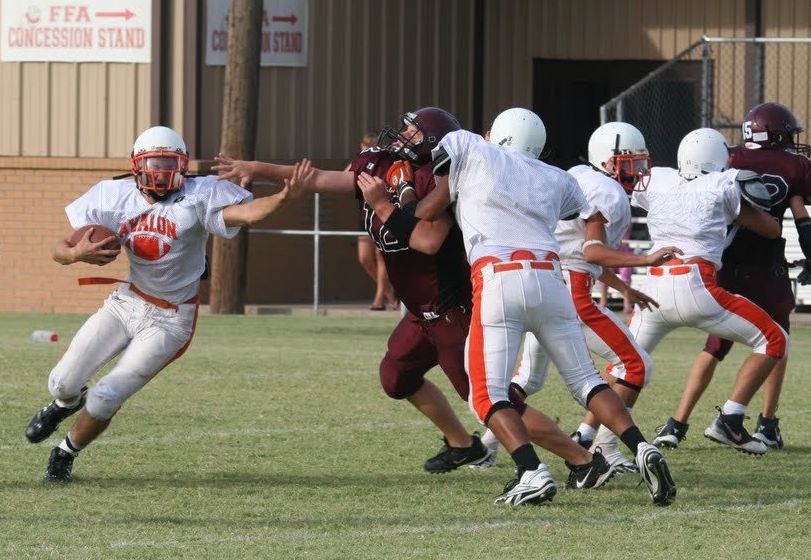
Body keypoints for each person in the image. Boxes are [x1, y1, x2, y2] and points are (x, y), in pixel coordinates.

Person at [214, 108, 618, 495]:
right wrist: (256, 169)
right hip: (420, 311)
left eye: (414, 131)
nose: (403, 136)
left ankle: (582, 459)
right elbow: (319, 178)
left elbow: (428, 241)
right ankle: (463, 445)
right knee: (396, 377)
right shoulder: (380, 165)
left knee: (491, 400)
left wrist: (384, 206)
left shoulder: (445, 180)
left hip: (452, 307)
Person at [416, 107, 677, 506]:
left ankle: (530, 471)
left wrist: (398, 200)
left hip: (498, 276)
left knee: (485, 394)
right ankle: (641, 447)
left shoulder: (470, 147)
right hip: (552, 279)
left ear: (497, 135)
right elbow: (580, 219)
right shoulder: (557, 177)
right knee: (587, 381)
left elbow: (427, 210)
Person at [24, 126, 311, 483]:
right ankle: (65, 403)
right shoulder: (113, 195)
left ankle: (65, 452)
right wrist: (75, 254)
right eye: (153, 162)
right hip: (126, 302)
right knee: (61, 383)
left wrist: (284, 198)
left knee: (106, 397)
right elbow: (59, 247)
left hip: (171, 318)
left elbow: (249, 214)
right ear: (136, 165)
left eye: (168, 162)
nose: (160, 171)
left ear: (183, 165)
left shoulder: (200, 194)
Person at [505, 122, 683, 474]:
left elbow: (577, 252)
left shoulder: (577, 176)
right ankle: (607, 446)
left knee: (528, 381)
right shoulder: (608, 192)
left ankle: (486, 444)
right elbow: (592, 252)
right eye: (631, 163)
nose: (639, 171)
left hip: (545, 281)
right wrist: (646, 259)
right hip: (570, 292)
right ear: (609, 161)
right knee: (636, 366)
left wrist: (624, 287)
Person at [655, 102, 811, 451]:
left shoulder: (726, 158)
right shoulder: (794, 168)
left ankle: (677, 423)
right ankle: (765, 424)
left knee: (714, 346)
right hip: (767, 269)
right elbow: (802, 222)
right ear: (775, 135)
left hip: (724, 266)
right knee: (777, 341)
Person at [612, 127, 786, 456]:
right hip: (697, 287)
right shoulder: (724, 182)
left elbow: (631, 191)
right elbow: (770, 229)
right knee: (774, 339)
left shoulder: (659, 179)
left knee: (625, 368)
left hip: (652, 287)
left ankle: (589, 435)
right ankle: (731, 418)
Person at [353, 131, 396, 310]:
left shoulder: (385, 161)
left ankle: (379, 299)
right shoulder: (361, 162)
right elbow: (344, 176)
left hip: (382, 213)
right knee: (364, 258)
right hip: (365, 216)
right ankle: (390, 294)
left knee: (381, 256)